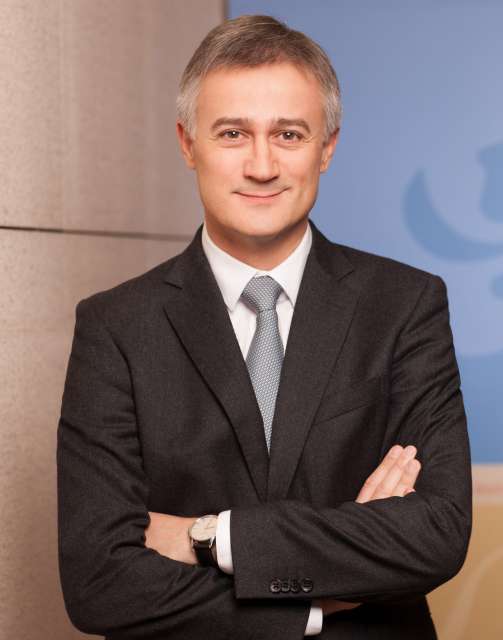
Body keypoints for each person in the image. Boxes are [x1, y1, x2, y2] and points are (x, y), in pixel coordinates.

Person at [57, 14, 471, 639]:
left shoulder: (405, 305)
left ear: (327, 148)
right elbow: (98, 583)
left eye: (288, 134)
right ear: (187, 143)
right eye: (232, 133)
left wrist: (207, 536)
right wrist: (314, 600)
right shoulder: (115, 327)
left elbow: (435, 535)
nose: (261, 164)